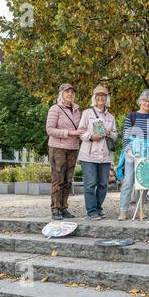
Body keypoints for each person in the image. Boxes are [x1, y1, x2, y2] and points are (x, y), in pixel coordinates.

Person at [78, 85, 118, 220]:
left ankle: (98, 208)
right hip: (88, 155)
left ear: (107, 98)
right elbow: (81, 131)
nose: (101, 97)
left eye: (104, 95)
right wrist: (91, 136)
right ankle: (91, 211)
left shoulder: (111, 117)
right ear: (94, 98)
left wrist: (109, 133)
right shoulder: (87, 113)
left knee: (103, 184)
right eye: (98, 95)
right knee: (90, 184)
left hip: (105, 156)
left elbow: (116, 136)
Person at [46, 83, 85, 220]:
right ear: (61, 94)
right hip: (58, 148)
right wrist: (70, 133)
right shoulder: (55, 109)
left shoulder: (76, 110)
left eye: (72, 92)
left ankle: (64, 208)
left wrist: (83, 133)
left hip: (73, 148)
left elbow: (80, 128)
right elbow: (50, 130)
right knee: (58, 179)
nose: (70, 94)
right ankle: (55, 209)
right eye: (67, 92)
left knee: (68, 180)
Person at [118, 89, 149, 221]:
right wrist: (128, 151)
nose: (147, 103)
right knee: (128, 181)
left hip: (147, 152)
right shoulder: (132, 116)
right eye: (145, 101)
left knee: (144, 181)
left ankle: (139, 208)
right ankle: (123, 210)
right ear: (140, 101)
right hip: (133, 150)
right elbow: (126, 135)